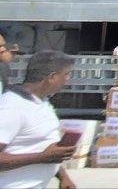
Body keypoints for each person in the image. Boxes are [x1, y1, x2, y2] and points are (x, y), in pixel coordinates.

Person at [0, 50, 76, 189]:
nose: (68, 80)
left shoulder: (42, 102)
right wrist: (41, 157)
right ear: (52, 77)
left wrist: (63, 176)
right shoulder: (11, 107)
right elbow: (44, 154)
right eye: (66, 74)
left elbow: (41, 146)